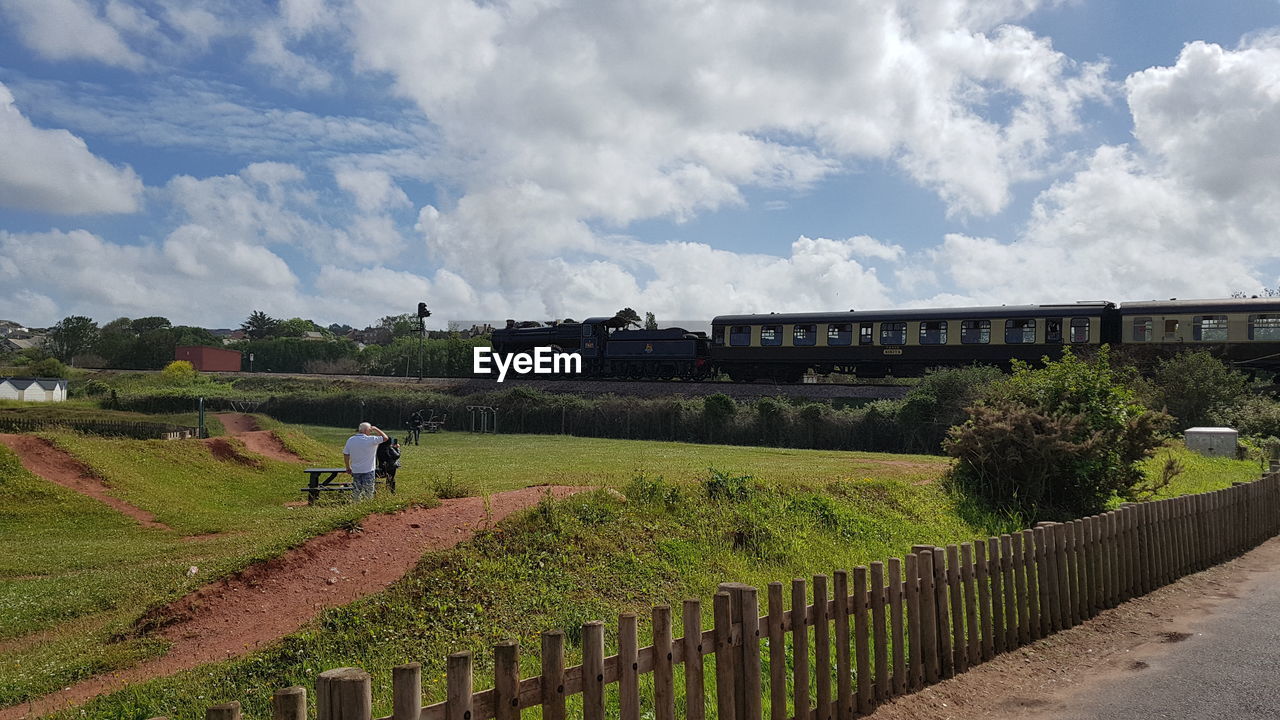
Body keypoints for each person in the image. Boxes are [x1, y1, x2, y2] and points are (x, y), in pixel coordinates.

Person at [343, 422, 388, 501]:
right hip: (368, 470)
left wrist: (348, 467)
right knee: (369, 491)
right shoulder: (371, 439)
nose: (371, 432)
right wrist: (376, 429)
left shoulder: (351, 440)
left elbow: (346, 454)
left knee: (357, 490)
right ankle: (368, 505)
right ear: (366, 430)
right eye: (370, 430)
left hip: (356, 470)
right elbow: (385, 438)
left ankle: (356, 504)